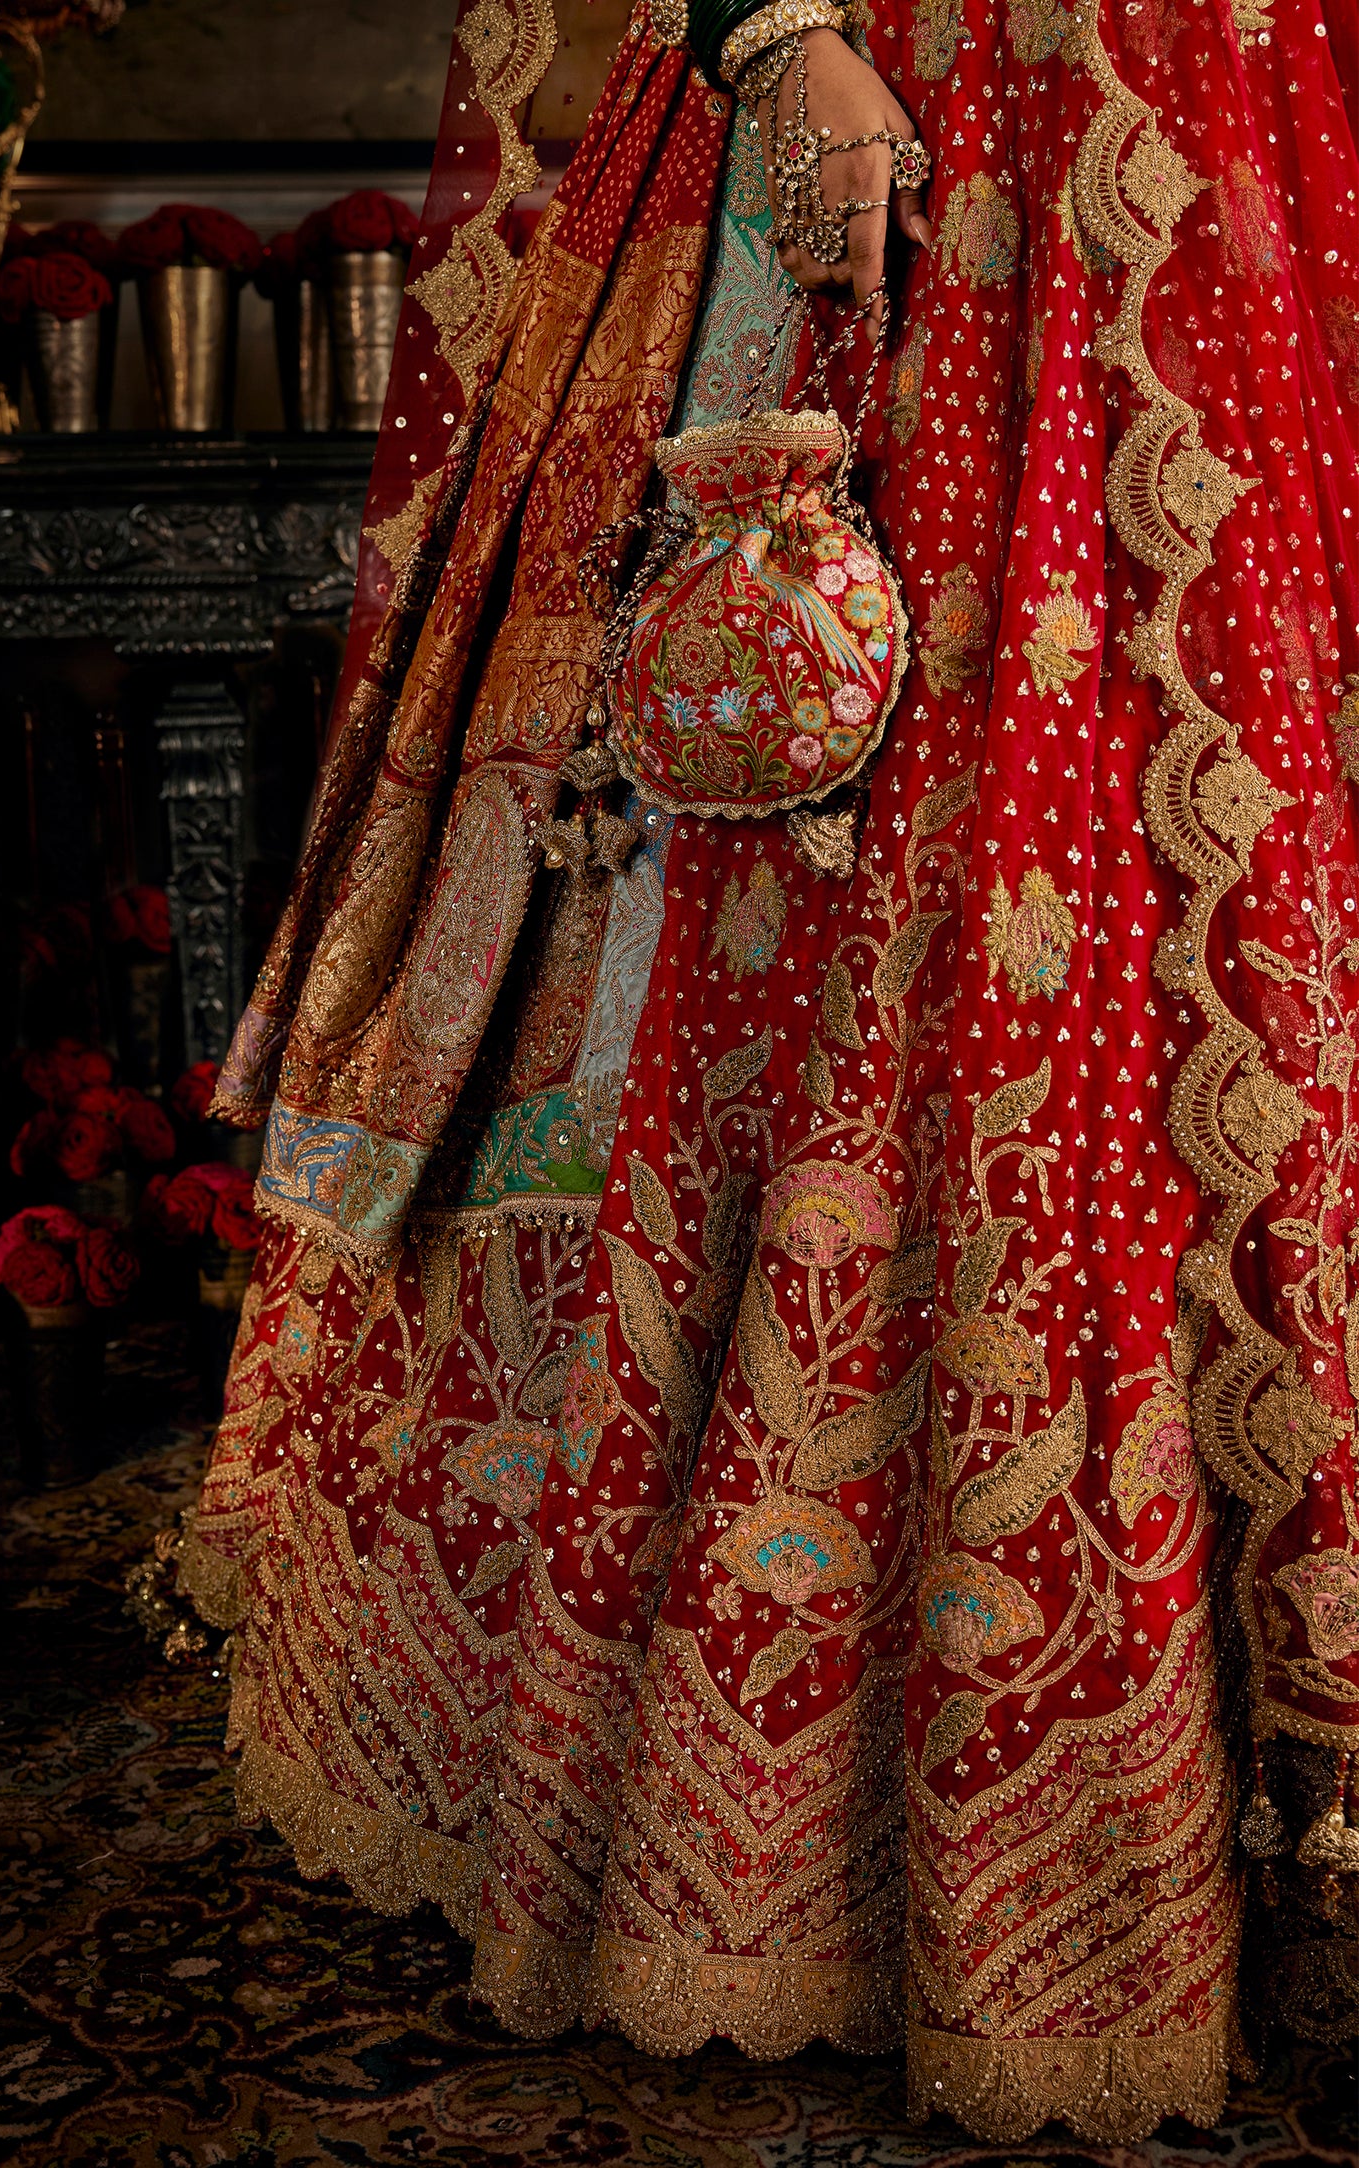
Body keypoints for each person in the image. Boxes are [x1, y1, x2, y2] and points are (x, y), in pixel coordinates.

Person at [178, 0, 1359, 2141]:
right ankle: (806, 1828)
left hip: (1237, 144)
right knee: (810, 823)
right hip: (887, 121)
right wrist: (772, 26)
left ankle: (1285, 1798)